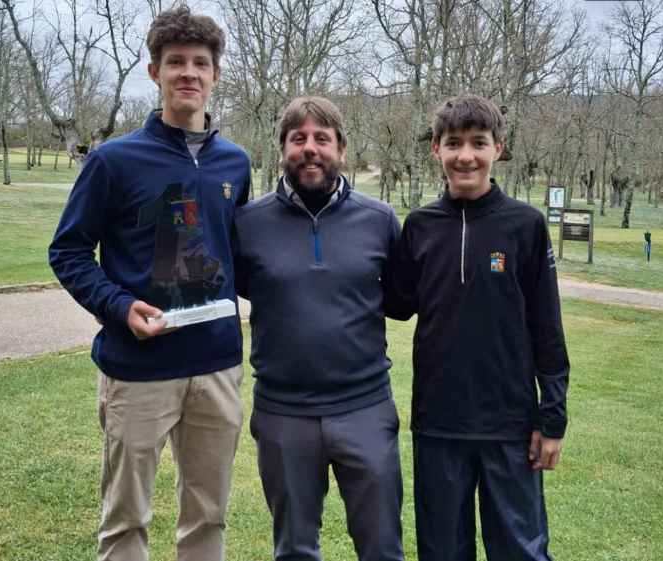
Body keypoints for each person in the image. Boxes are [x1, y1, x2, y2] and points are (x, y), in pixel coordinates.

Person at [48, 7, 250, 561]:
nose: (189, 72)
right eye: (176, 62)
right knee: (126, 518)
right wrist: (118, 306)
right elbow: (67, 251)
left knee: (209, 514)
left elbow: (241, 256)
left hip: (216, 366)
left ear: (216, 75)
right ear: (153, 72)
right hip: (137, 370)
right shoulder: (113, 161)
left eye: (201, 63)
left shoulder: (236, 163)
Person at [391, 94, 570, 561]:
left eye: (478, 142)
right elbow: (395, 302)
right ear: (436, 149)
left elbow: (547, 328)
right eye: (453, 143)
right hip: (438, 424)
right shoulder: (420, 227)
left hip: (511, 426)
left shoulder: (525, 226)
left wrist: (552, 419)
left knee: (520, 551)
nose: (465, 155)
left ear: (498, 148)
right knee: (442, 551)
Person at [233, 96, 404, 561]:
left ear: (341, 149)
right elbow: (248, 287)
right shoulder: (248, 224)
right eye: (298, 139)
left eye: (322, 139)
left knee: (382, 547)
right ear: (282, 148)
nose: (310, 149)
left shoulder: (380, 220)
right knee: (294, 550)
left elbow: (400, 300)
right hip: (283, 413)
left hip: (365, 408)